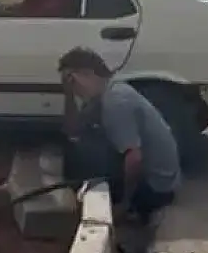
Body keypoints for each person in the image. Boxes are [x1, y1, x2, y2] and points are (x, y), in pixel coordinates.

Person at [58, 46, 180, 225]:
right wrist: (68, 95)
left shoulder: (115, 101)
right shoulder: (109, 91)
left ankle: (127, 208)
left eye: (72, 81)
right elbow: (73, 131)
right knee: (81, 146)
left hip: (156, 188)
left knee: (86, 155)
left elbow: (134, 158)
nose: (74, 89)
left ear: (87, 73)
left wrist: (125, 204)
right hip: (162, 181)